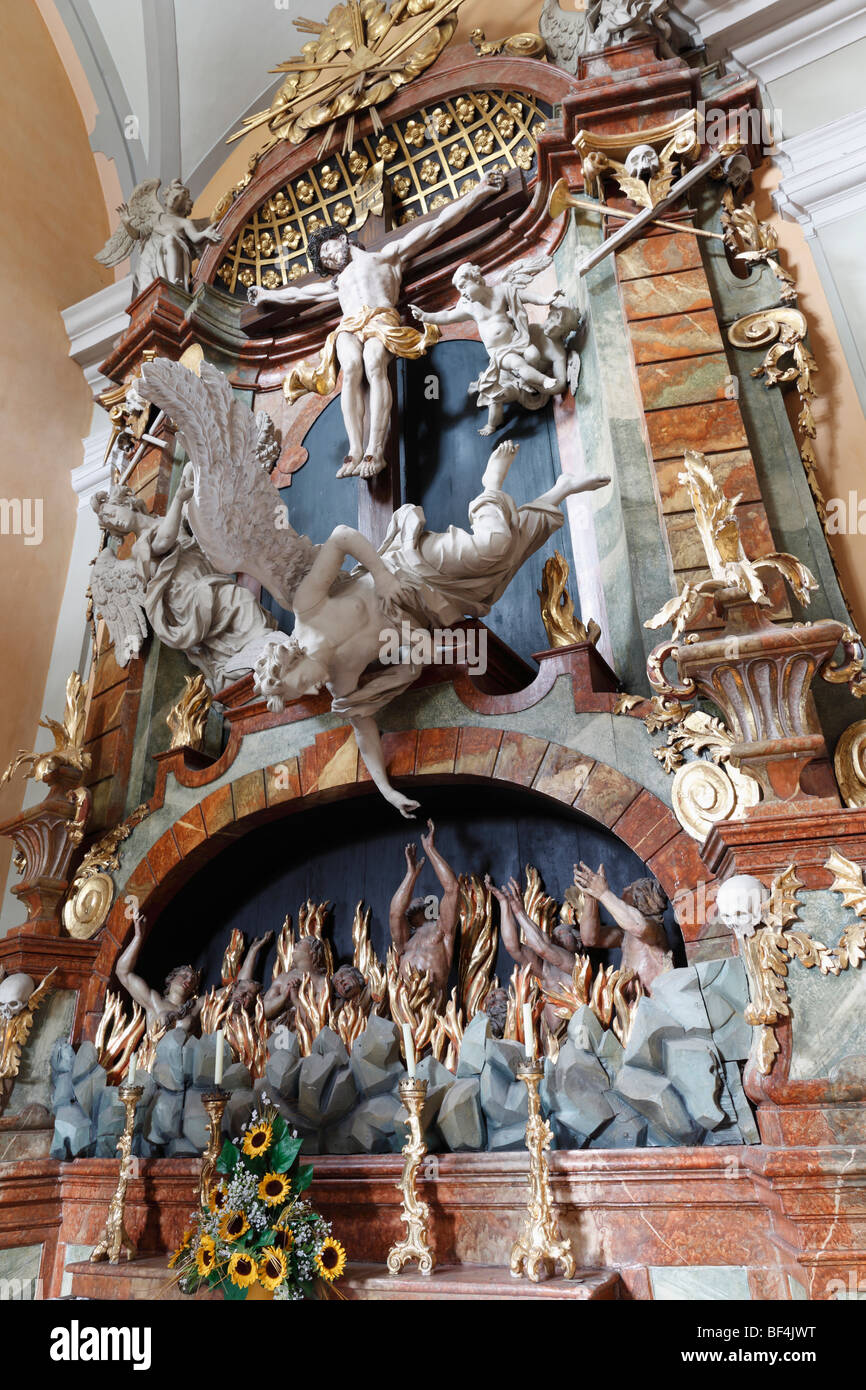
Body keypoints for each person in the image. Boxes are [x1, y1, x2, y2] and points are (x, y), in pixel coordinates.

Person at [246, 171, 506, 477]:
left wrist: (480, 191)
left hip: (381, 318)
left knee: (373, 364)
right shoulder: (336, 283)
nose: (328, 259)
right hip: (349, 326)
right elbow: (297, 295)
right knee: (351, 367)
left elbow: (437, 225)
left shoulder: (388, 257)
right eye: (324, 261)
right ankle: (355, 449)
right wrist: (265, 293)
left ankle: (375, 451)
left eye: (327, 249)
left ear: (342, 238)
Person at [487, 876, 582, 1031]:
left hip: (578, 1043)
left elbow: (543, 948)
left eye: (565, 933)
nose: (557, 935)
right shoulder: (546, 971)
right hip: (551, 1046)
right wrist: (504, 903)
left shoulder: (576, 966)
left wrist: (519, 912)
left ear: (579, 944)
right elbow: (513, 947)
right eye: (555, 935)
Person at [389, 820, 460, 1008]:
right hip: (405, 1008)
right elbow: (395, 913)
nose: (415, 899)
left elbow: (452, 888)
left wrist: (430, 850)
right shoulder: (405, 941)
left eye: (421, 899)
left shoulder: (442, 930)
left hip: (433, 1004)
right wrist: (411, 875)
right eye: (411, 899)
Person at [572, 862, 672, 992]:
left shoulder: (654, 929)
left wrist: (603, 893)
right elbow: (589, 939)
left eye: (630, 888)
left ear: (641, 899)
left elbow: (638, 926)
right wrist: (590, 896)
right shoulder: (624, 934)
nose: (624, 889)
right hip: (629, 1008)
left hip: (654, 1007)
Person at [116, 917, 203, 1034]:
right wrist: (138, 937)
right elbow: (122, 972)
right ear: (172, 979)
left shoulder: (195, 1008)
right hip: (152, 1051)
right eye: (184, 975)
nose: (189, 979)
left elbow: (232, 989)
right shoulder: (155, 1001)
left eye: (193, 980)